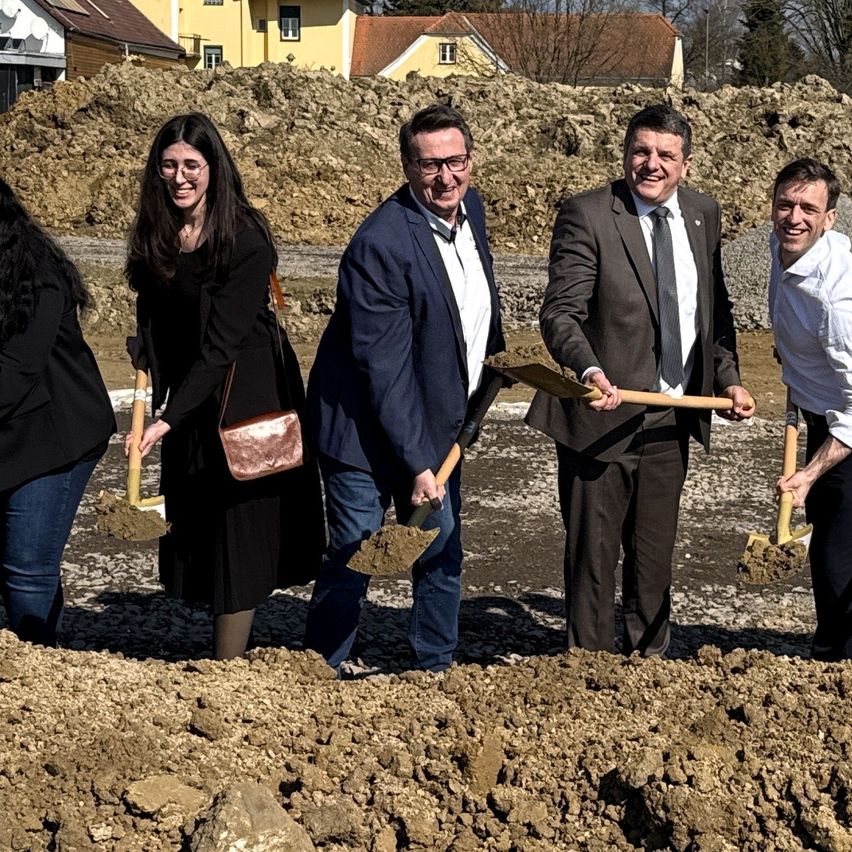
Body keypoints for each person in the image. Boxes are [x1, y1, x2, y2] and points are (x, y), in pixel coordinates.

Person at [526, 104, 754, 656]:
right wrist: (589, 368)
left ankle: (649, 670)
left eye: (666, 155)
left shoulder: (703, 214)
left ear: (687, 164)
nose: (651, 164)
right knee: (594, 561)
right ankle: (588, 670)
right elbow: (561, 312)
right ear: (626, 153)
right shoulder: (588, 214)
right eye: (641, 151)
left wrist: (728, 378)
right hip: (601, 416)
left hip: (671, 420)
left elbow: (713, 311)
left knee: (653, 562)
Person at [303, 103, 505, 673]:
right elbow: (383, 368)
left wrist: (492, 375)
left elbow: (475, 306)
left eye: (456, 161)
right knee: (357, 549)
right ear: (407, 166)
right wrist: (420, 463)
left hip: (438, 420)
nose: (446, 177)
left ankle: (435, 667)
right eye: (430, 165)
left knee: (439, 549)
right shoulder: (380, 245)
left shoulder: (473, 211)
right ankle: (319, 668)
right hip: (361, 431)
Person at [125, 112, 325, 660]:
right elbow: (154, 307)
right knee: (202, 518)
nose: (179, 177)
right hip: (191, 394)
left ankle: (227, 669)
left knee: (240, 522)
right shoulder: (159, 229)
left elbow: (222, 344)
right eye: (168, 165)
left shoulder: (245, 237)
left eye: (192, 164)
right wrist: (147, 355)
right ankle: (227, 649)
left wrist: (169, 417)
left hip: (245, 399)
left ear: (214, 168)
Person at [0, 178, 116, 646]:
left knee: (25, 566)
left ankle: (40, 664)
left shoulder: (37, 274)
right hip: (8, 430)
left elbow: (14, 370)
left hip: (54, 436)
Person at [769, 158, 852, 661]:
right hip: (822, 409)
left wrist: (809, 472)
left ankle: (838, 660)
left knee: (840, 547)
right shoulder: (785, 253)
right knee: (829, 535)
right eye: (785, 204)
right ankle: (832, 644)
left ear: (830, 218)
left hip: (848, 424)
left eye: (808, 208)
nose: (794, 217)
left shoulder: (837, 298)